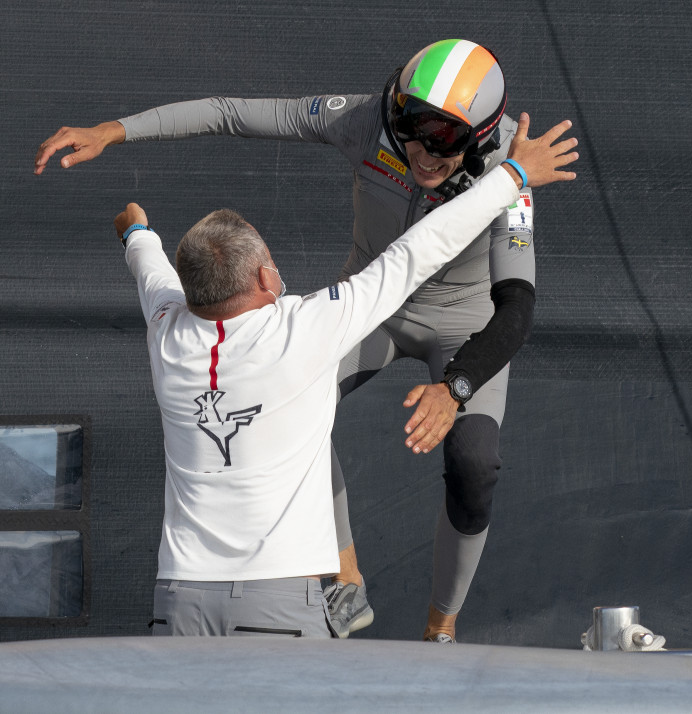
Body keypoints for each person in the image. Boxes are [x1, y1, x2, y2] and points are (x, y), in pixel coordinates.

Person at [36, 40, 543, 642]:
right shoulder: (364, 120)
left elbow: (516, 308)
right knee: (291, 401)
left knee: (475, 464)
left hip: (464, 323)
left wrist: (456, 388)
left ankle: (442, 623)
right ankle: (344, 575)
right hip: (369, 308)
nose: (422, 153)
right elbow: (231, 111)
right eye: (410, 131)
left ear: (483, 139)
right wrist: (114, 131)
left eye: (444, 141)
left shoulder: (514, 162)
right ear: (393, 111)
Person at [112, 116, 577, 636]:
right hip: (280, 606)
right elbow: (419, 249)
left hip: (179, 602)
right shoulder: (307, 326)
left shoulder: (165, 328)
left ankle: (378, 591)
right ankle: (352, 580)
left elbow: (147, 265)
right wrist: (514, 175)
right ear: (267, 277)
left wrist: (136, 231)